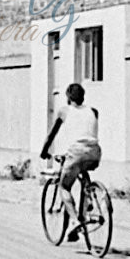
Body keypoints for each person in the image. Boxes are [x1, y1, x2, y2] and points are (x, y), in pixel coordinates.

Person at [40, 82, 100, 242]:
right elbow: (85, 131)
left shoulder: (64, 111)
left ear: (68, 97)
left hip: (76, 152)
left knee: (64, 186)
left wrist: (44, 151)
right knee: (83, 173)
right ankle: (88, 201)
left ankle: (75, 220)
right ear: (83, 96)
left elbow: (52, 134)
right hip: (94, 152)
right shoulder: (93, 111)